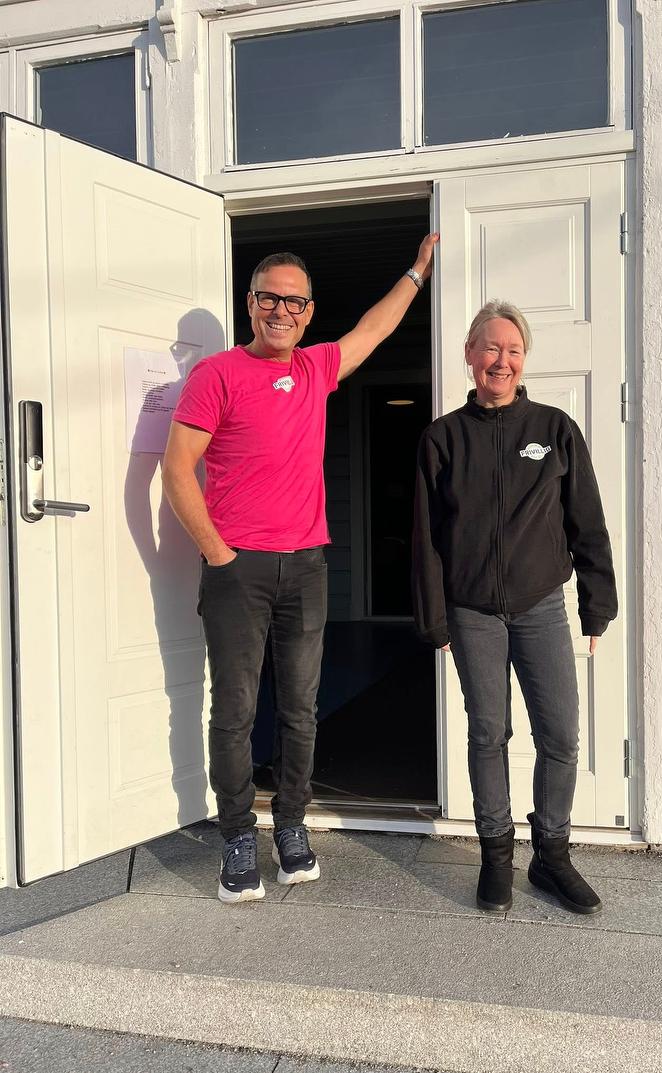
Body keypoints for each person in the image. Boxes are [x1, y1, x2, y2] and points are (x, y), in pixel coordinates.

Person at [163, 234, 438, 902]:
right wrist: (218, 553)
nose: (281, 310)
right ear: (250, 303)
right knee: (234, 711)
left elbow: (374, 329)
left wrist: (415, 272)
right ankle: (236, 837)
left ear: (309, 312)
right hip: (238, 569)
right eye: (270, 298)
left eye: (294, 302)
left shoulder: (316, 369)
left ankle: (290, 826)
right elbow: (175, 470)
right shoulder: (217, 375)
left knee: (300, 710)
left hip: (307, 567)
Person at [411, 300, 617, 914]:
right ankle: (496, 855)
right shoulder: (442, 438)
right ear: (470, 354)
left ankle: (551, 856)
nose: (501, 361)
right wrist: (433, 617)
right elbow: (425, 536)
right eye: (491, 348)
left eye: (513, 350)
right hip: (472, 612)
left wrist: (597, 604)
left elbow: (587, 520)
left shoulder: (554, 429)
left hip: (540, 606)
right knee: (487, 733)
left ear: (524, 360)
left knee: (560, 735)